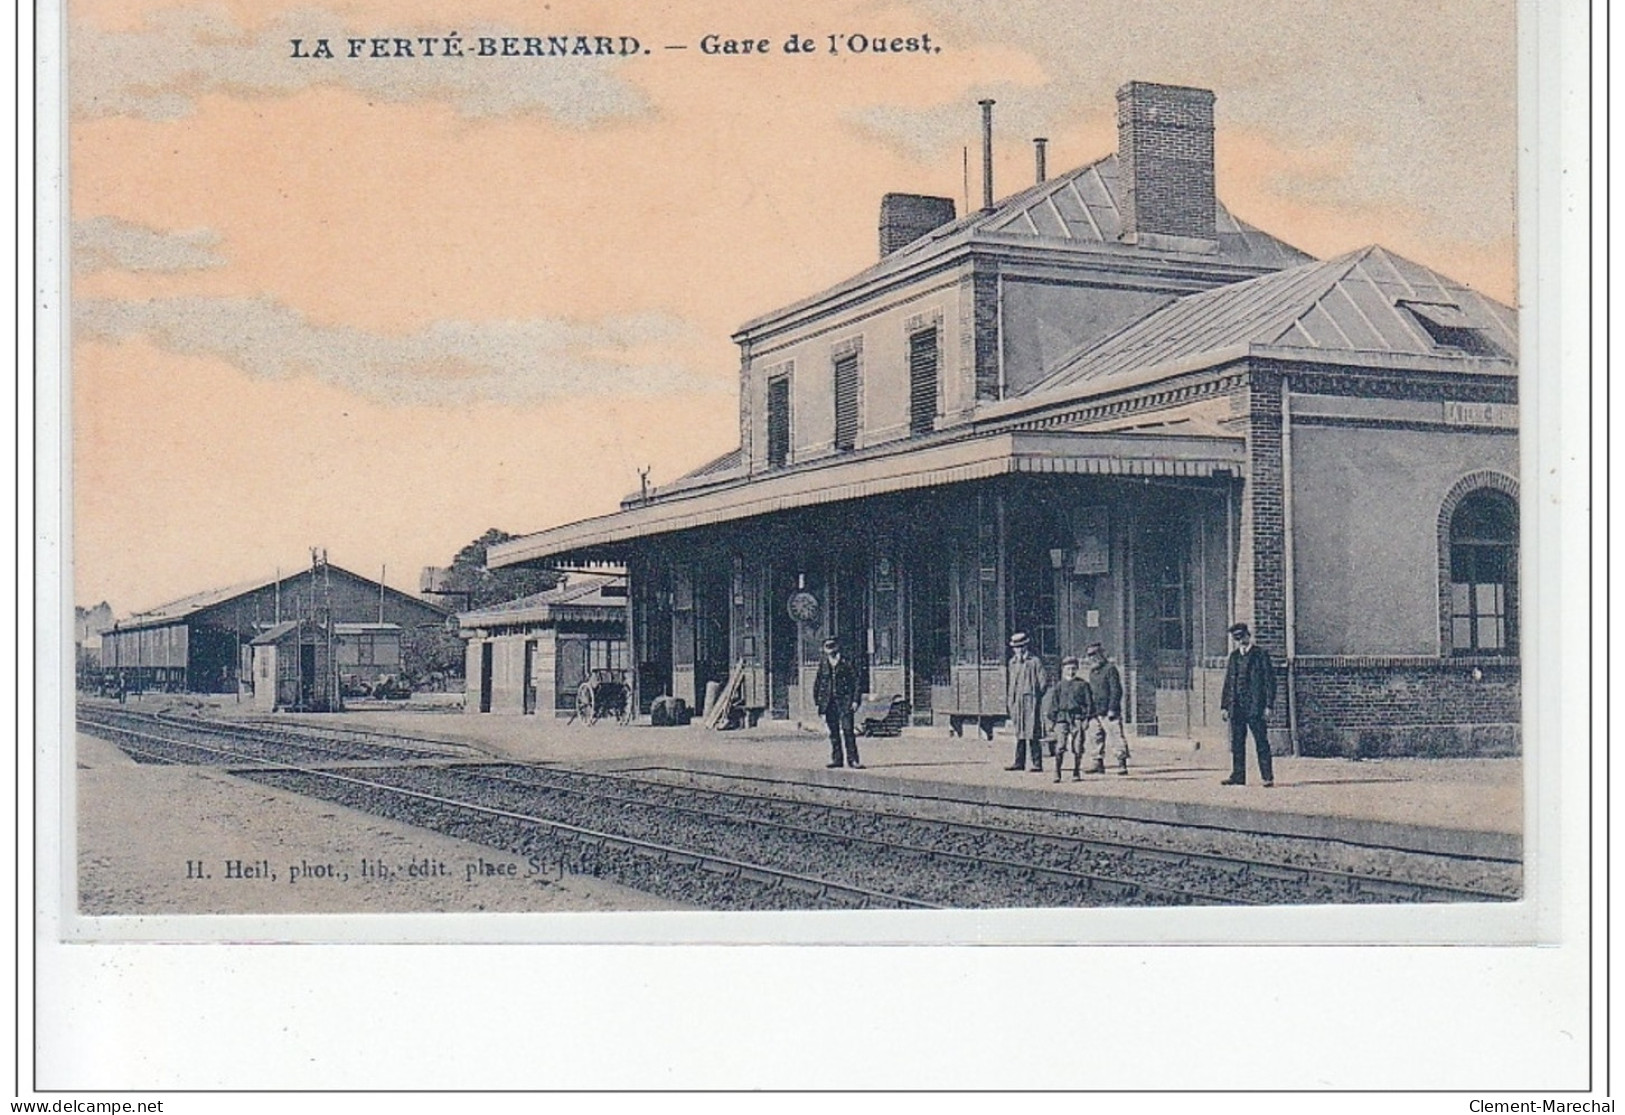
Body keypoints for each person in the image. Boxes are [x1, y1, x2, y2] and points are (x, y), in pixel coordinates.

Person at [1220, 622, 1277, 787]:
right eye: (1237, 638)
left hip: (1255, 707)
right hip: (1236, 707)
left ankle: (1267, 776)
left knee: (1261, 741)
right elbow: (1228, 683)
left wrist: (1268, 705)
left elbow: (1269, 682)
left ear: (1248, 635)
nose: (1240, 641)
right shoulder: (1234, 657)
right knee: (1237, 742)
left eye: (1242, 637)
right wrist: (1225, 706)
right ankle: (1238, 775)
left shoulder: (1261, 655)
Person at [813, 636, 862, 769]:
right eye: (827, 647)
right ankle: (837, 759)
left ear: (837, 647)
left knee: (848, 730)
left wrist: (855, 700)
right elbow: (818, 683)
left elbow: (856, 682)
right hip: (829, 702)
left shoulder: (846, 661)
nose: (830, 650)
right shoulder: (823, 663)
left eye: (832, 646)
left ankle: (853, 760)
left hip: (845, 701)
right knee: (833, 732)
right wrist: (818, 702)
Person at [1004, 632, 1048, 773]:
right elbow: (1011, 683)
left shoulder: (1034, 661)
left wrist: (1035, 696)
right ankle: (1019, 762)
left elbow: (1043, 682)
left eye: (1021, 646)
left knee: (1032, 732)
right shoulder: (1012, 663)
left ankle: (1037, 763)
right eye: (1016, 647)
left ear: (1026, 646)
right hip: (1017, 702)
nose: (1019, 650)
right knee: (1019, 732)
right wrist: (1011, 701)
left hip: (1030, 701)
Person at [1083, 642, 1129, 775]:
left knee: (1116, 737)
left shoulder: (1110, 669)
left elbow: (1116, 690)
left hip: (1109, 711)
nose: (1092, 658)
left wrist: (1112, 708)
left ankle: (1121, 763)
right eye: (1089, 655)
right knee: (1095, 737)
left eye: (1094, 654)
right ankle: (1097, 763)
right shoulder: (1092, 672)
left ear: (1101, 654)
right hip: (1095, 710)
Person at [1047, 656, 1095, 782]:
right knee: (1060, 745)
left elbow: (1089, 704)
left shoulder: (1083, 685)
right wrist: (1052, 721)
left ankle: (1076, 771)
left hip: (1077, 717)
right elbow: (1054, 704)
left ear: (1077, 669)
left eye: (1073, 668)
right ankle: (1057, 771)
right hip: (1062, 718)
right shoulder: (1059, 686)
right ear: (1063, 669)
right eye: (1068, 669)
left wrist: (1086, 719)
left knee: (1078, 746)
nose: (1071, 671)